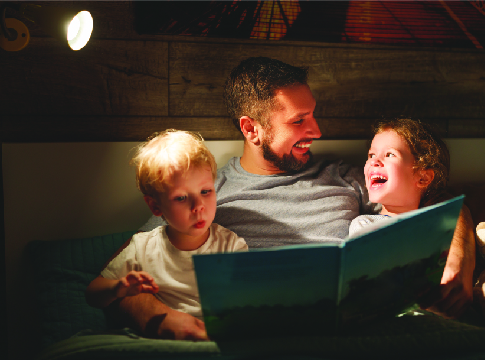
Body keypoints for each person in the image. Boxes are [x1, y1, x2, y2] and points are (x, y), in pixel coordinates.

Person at [110, 57, 475, 339]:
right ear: (252, 129)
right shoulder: (204, 194)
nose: (316, 130)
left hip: (348, 328)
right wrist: (165, 319)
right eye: (300, 120)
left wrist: (459, 258)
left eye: (313, 114)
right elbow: (122, 269)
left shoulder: (345, 177)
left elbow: (439, 202)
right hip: (258, 330)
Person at [85, 129, 247, 339]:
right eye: (181, 198)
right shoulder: (143, 247)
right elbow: (92, 294)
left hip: (218, 338)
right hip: (167, 341)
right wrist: (118, 288)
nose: (198, 206)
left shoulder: (230, 245)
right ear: (155, 206)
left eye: (205, 191)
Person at [349, 118, 452, 235]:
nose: (374, 161)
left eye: (390, 154)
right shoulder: (365, 226)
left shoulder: (438, 224)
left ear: (423, 178)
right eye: (371, 155)